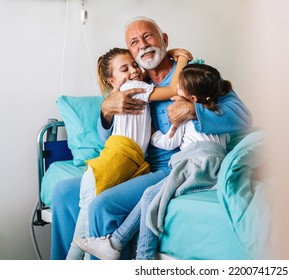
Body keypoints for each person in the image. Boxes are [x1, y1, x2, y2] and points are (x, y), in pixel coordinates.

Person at [50, 16, 252, 260]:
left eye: (148, 36)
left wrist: (194, 110)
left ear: (164, 40)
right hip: (136, 166)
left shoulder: (195, 76)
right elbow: (109, 139)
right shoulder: (135, 82)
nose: (143, 45)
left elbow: (242, 116)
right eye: (134, 42)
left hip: (172, 166)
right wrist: (106, 111)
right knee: (63, 192)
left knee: (103, 206)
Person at [74, 63, 232, 260]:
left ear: (191, 98)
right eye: (125, 68)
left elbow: (169, 142)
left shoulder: (182, 111)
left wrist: (153, 135)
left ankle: (140, 256)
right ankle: (116, 244)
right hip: (217, 166)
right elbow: (223, 141)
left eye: (180, 87)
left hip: (190, 162)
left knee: (149, 196)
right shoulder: (215, 113)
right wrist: (106, 109)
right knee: (67, 191)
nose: (176, 89)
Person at [65, 47, 189, 259]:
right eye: (124, 68)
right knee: (82, 239)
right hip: (117, 159)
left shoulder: (132, 89)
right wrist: (183, 58)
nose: (133, 70)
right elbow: (175, 88)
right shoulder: (134, 87)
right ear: (112, 80)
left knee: (84, 240)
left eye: (134, 65)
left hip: (124, 158)